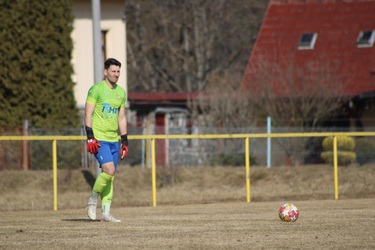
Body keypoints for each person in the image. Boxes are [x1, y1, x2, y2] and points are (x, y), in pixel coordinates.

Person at [85, 58, 128, 223]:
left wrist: (125, 141)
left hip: (114, 139)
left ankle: (105, 213)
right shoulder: (96, 89)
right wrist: (90, 137)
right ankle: (92, 199)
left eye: (118, 71)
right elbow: (87, 114)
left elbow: (122, 118)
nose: (116, 74)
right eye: (113, 71)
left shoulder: (121, 93)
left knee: (110, 175)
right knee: (109, 170)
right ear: (105, 72)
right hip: (99, 137)